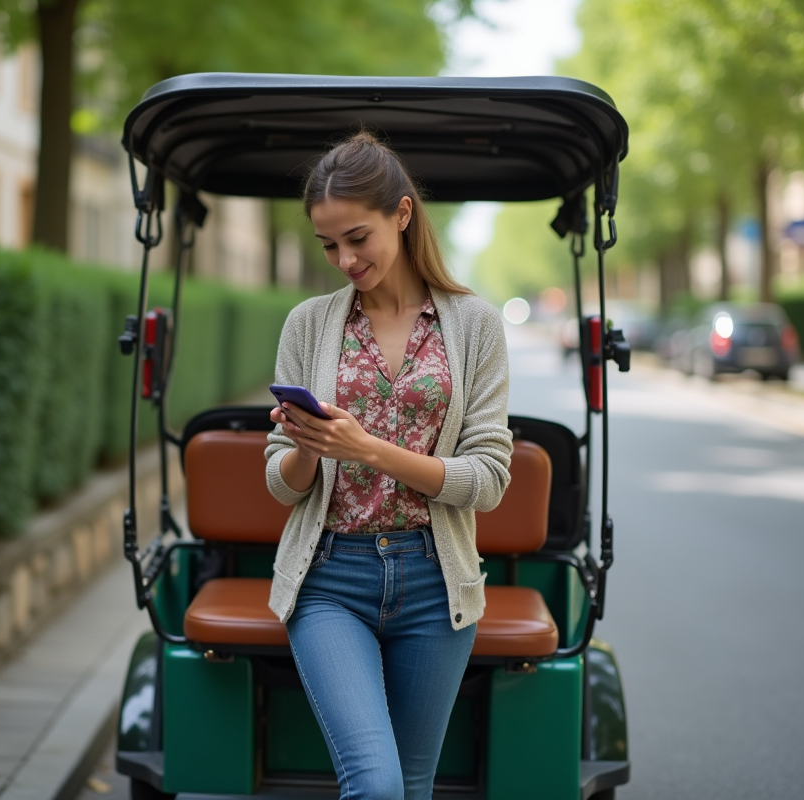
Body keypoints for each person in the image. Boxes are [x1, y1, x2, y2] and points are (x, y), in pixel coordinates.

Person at [264, 131, 514, 800]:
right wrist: (305, 450)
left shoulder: (475, 325)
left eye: (357, 237)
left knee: (411, 784)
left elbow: (487, 480)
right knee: (374, 785)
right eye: (328, 245)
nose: (343, 259)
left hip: (436, 582)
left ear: (402, 215)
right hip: (329, 580)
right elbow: (279, 482)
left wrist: (368, 450)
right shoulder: (308, 325)